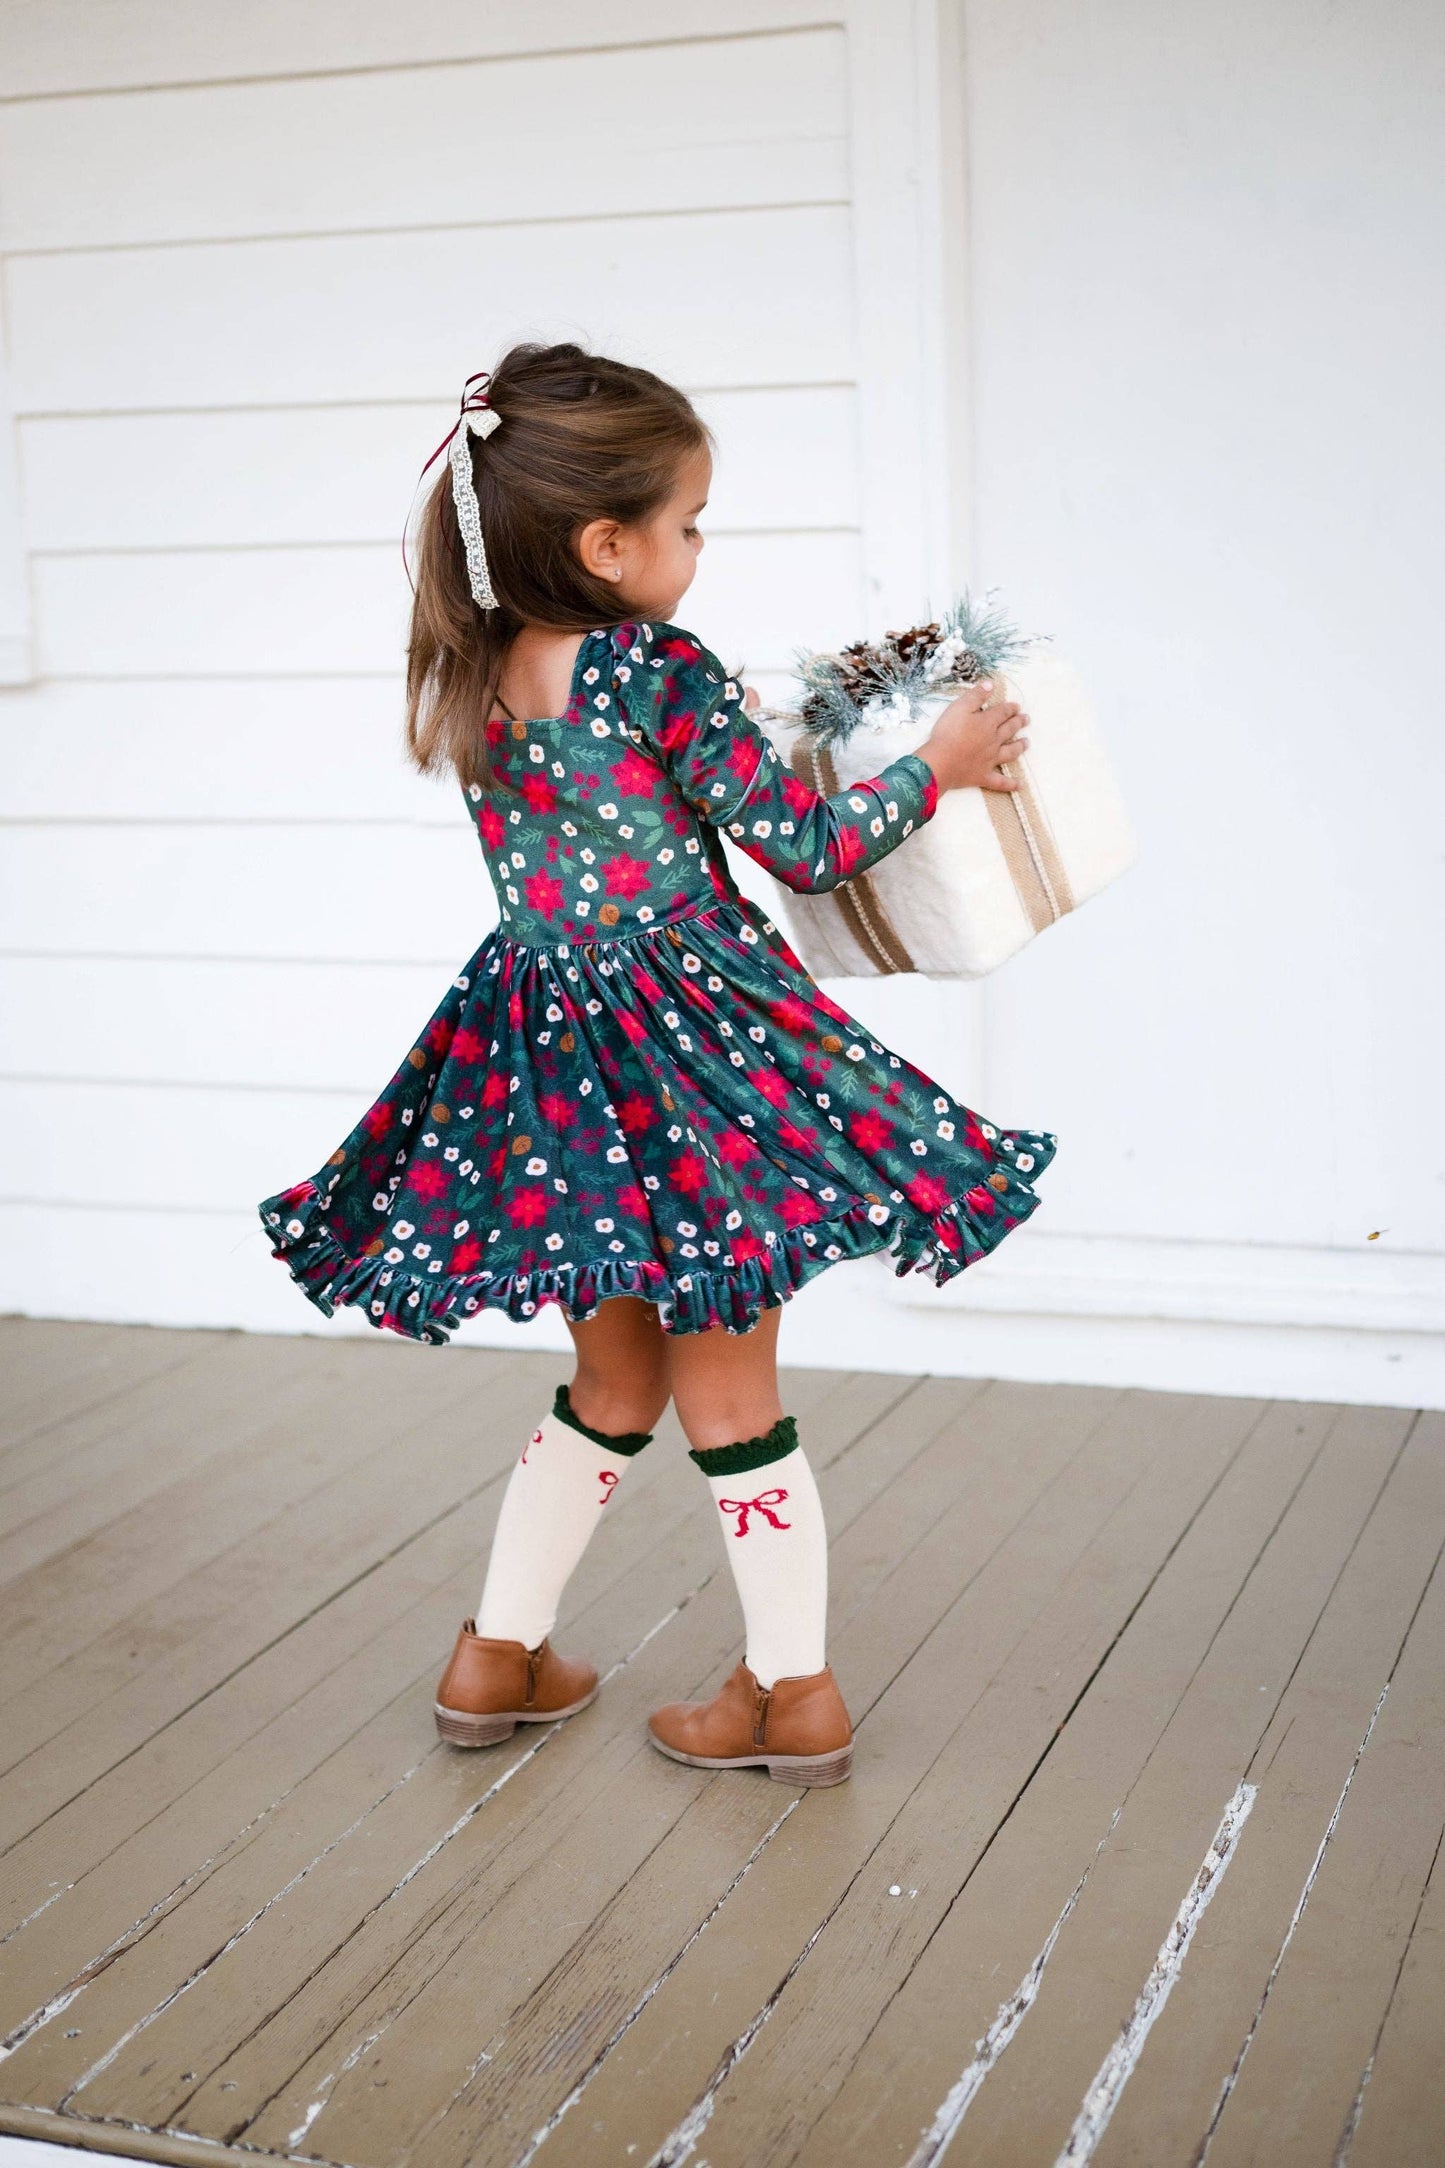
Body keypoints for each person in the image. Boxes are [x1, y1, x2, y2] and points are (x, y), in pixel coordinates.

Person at [259, 342, 1055, 1788]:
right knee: (731, 1393)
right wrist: (933, 764)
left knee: (611, 1376)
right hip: (695, 1065)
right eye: (687, 525)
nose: (698, 550)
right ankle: (787, 1692)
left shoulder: (476, 672)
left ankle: (494, 1656)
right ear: (606, 544)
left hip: (544, 1068)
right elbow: (801, 846)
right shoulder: (651, 665)